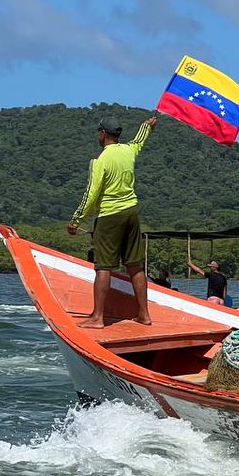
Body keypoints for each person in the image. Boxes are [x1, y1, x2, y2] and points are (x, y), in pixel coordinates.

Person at [67, 115, 157, 327]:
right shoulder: (128, 151)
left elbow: (91, 193)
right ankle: (144, 315)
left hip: (109, 216)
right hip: (131, 213)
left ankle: (98, 317)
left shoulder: (101, 161)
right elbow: (139, 141)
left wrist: (76, 220)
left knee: (103, 267)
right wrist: (147, 126)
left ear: (103, 134)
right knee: (135, 266)